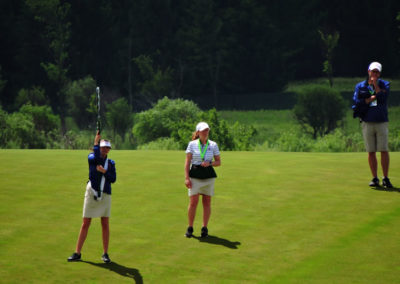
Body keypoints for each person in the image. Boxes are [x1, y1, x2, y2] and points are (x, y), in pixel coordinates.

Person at [68, 132, 117, 262]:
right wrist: (95, 143)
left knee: (105, 223)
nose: (105, 149)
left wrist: (104, 171)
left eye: (107, 148)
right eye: (103, 147)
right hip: (92, 193)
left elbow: (113, 179)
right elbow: (96, 159)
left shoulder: (111, 163)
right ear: (98, 147)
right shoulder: (91, 157)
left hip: (105, 194)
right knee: (85, 223)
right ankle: (77, 253)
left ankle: (105, 254)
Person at [353, 61, 393, 188]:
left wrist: (375, 85)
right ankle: (374, 178)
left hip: (381, 121)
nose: (374, 74)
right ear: (368, 71)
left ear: (379, 73)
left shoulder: (385, 84)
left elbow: (383, 98)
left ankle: (385, 178)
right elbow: (357, 102)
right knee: (371, 151)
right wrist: (369, 99)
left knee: (384, 150)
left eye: (377, 72)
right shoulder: (361, 86)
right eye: (372, 71)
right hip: (367, 121)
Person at [184, 122, 221, 238]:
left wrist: (210, 163)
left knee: (207, 202)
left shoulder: (213, 145)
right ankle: (190, 227)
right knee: (193, 202)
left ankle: (204, 228)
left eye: (207, 130)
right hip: (195, 175)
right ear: (198, 132)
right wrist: (186, 178)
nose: (206, 132)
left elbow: (218, 162)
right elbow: (187, 162)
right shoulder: (192, 144)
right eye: (204, 130)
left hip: (208, 177)